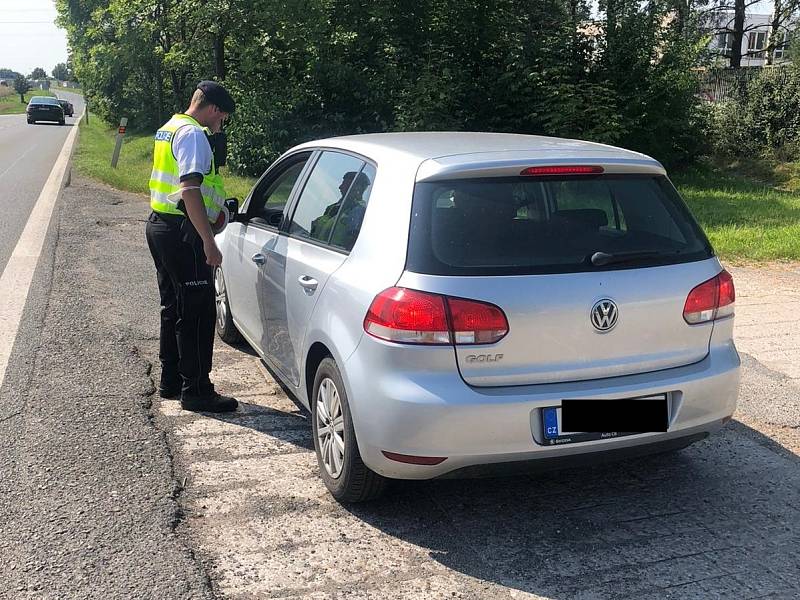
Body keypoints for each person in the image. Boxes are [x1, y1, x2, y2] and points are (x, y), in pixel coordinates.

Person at [145, 81, 238, 412]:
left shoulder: (169, 128)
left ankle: (172, 381)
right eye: (223, 117)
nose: (221, 123)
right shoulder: (194, 134)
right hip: (183, 233)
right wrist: (208, 241)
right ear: (213, 109)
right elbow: (189, 189)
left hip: (160, 226)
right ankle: (197, 390)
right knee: (198, 312)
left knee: (174, 308)